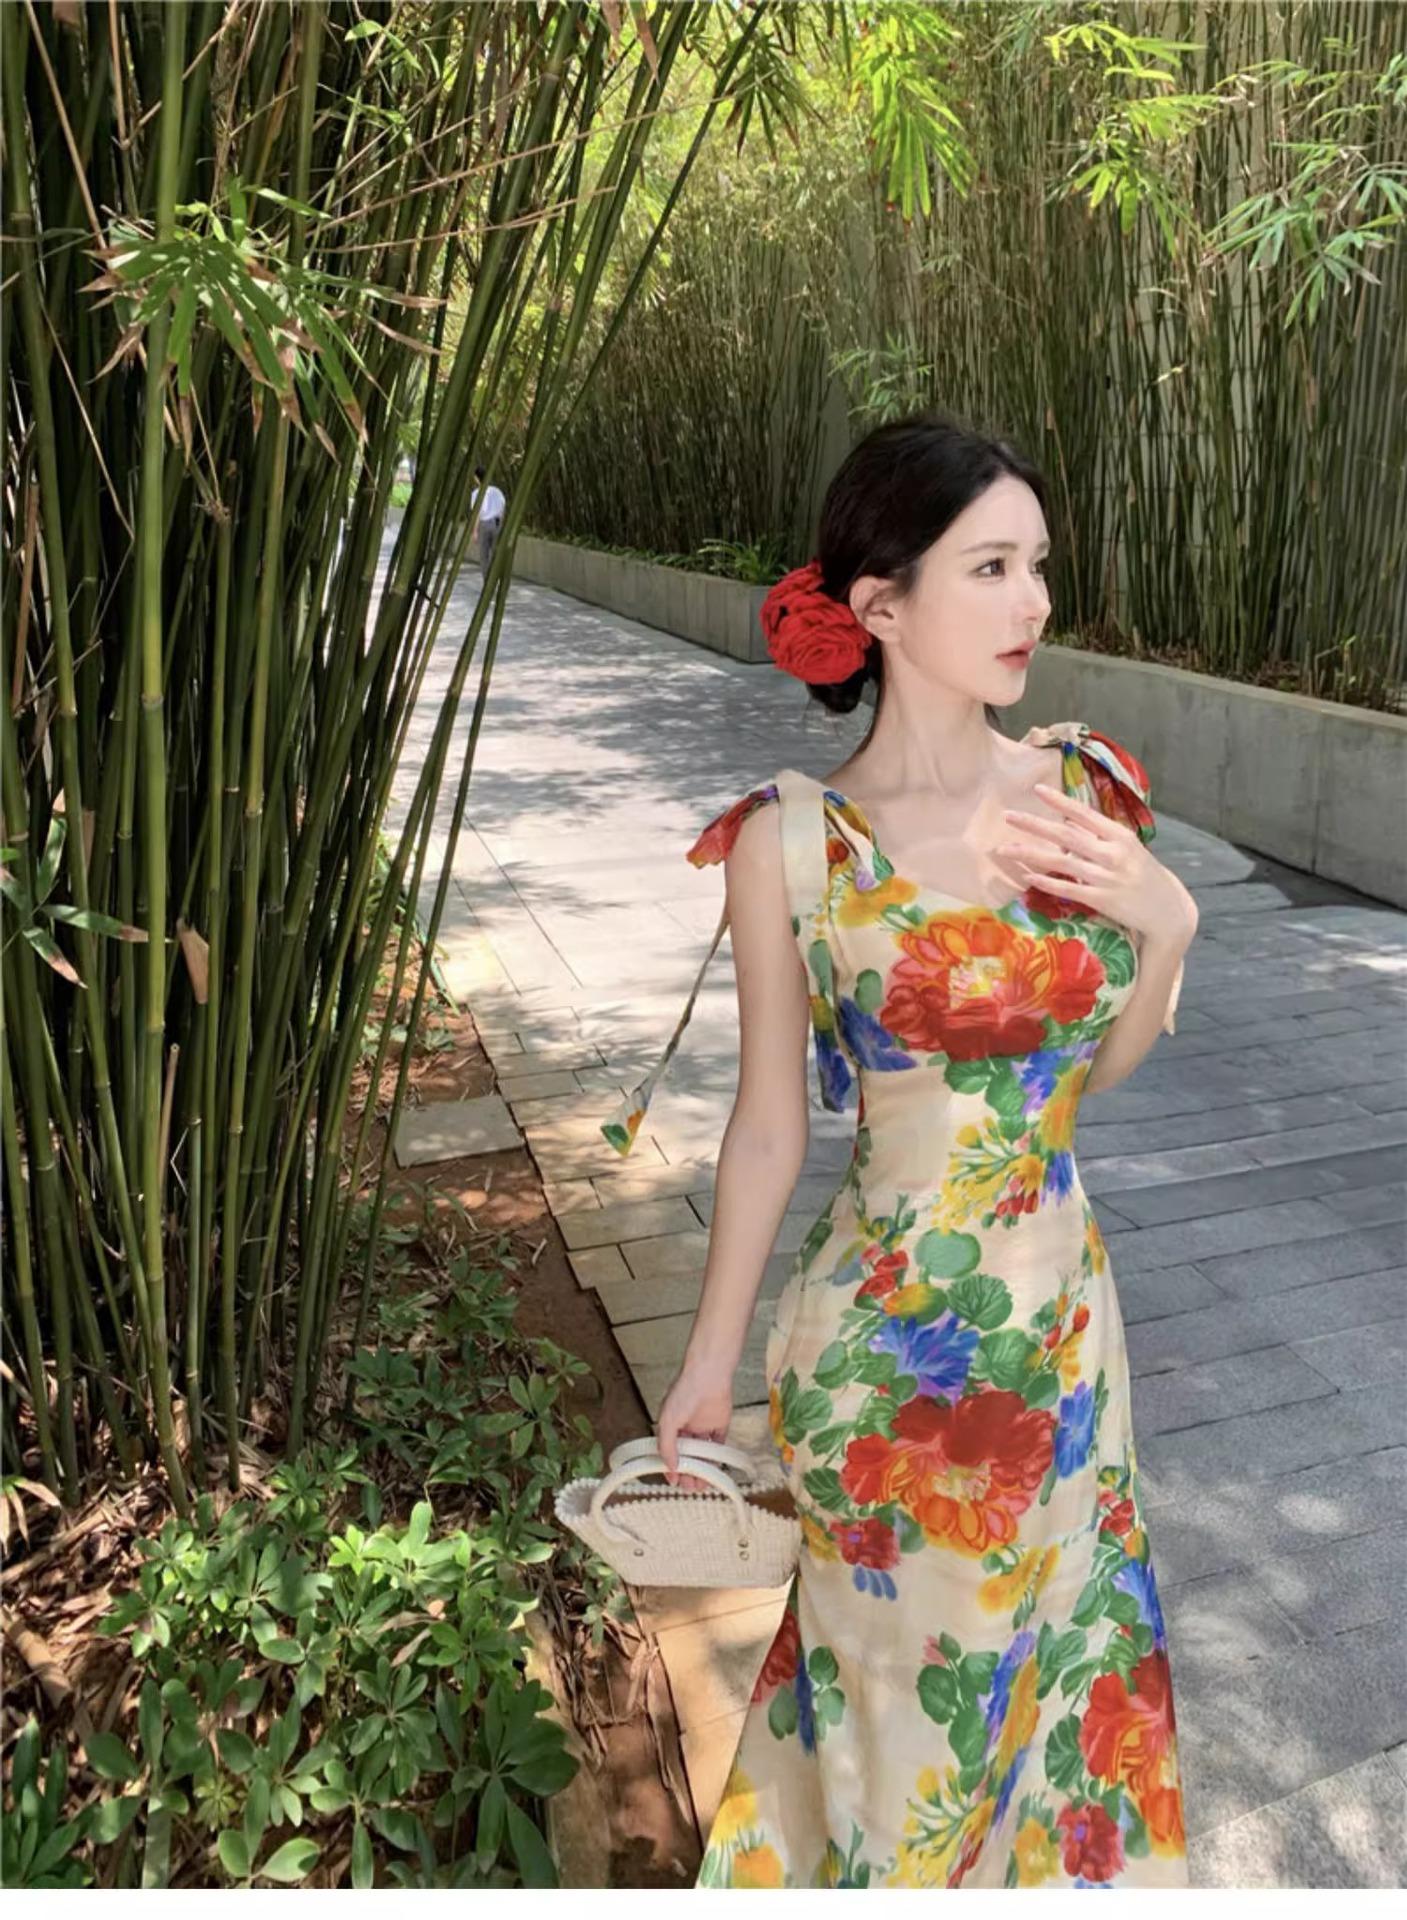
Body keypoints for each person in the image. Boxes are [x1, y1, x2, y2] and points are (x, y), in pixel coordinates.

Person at [600, 412, 1197, 1889]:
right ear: (879, 603)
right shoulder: (792, 843)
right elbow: (765, 1127)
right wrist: (707, 1364)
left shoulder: (1084, 793)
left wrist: (1168, 923)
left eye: (1036, 564)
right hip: (884, 1369)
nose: (1031, 602)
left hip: (1066, 1350)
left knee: (1055, 1713)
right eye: (988, 567)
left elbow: (1084, 1075)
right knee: (906, 1753)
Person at [469, 464, 506, 573]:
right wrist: (502, 524)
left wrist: (475, 531)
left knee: (484, 555)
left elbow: (477, 513)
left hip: (484, 525)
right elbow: (502, 509)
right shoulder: (497, 491)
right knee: (496, 554)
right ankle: (496, 579)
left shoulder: (476, 494)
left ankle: (487, 581)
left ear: (476, 478)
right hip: (497, 523)